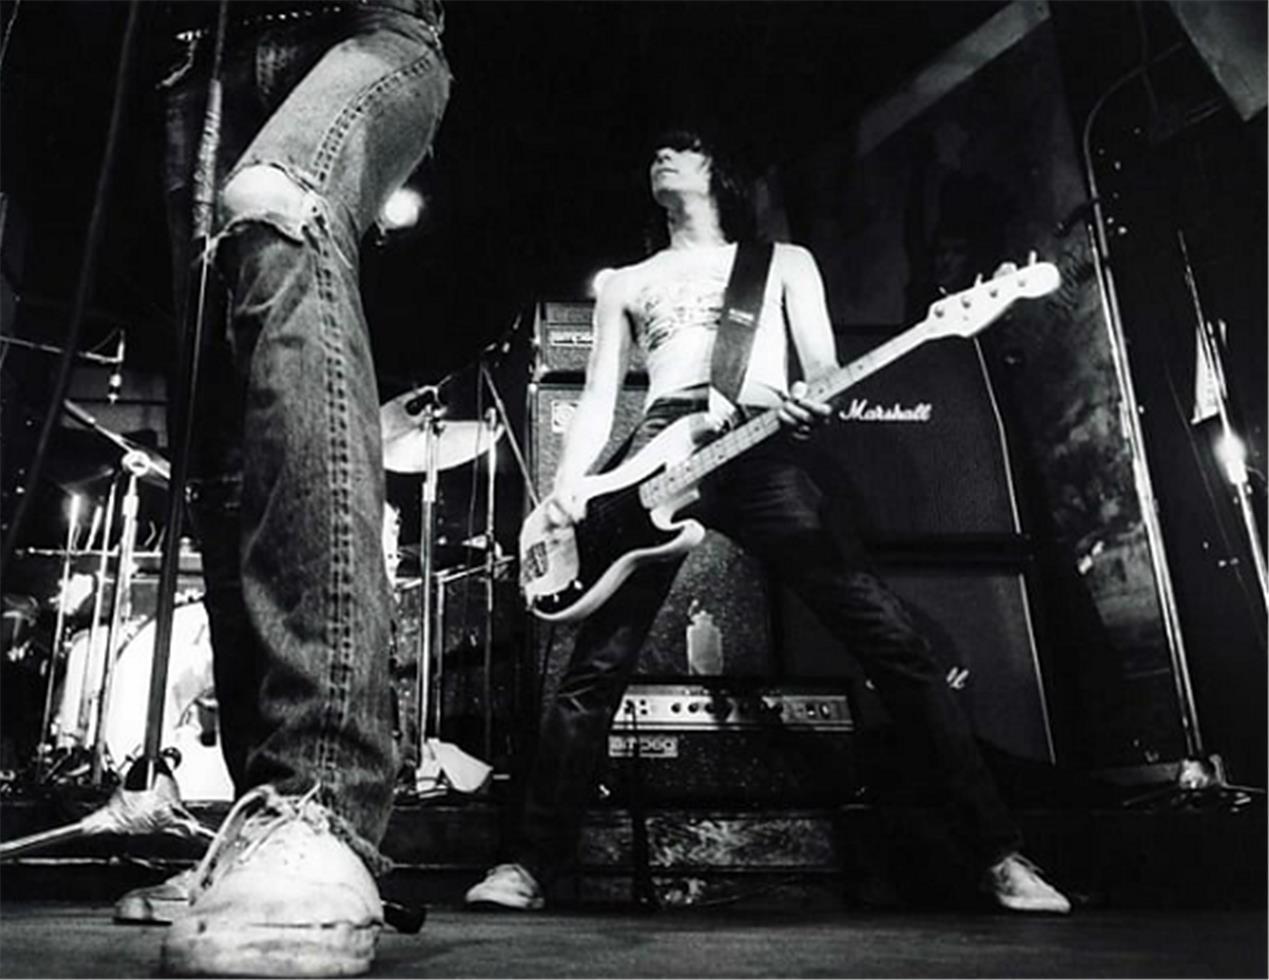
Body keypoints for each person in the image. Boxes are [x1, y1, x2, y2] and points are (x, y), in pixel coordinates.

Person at [465, 128, 1071, 916]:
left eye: (681, 148)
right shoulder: (624, 280)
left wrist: (813, 403)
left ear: (720, 171)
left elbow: (820, 369)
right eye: (656, 151)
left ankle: (999, 857)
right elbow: (602, 393)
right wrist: (569, 488)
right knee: (592, 669)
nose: (662, 156)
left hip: (761, 446)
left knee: (891, 643)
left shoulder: (781, 262)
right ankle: (530, 868)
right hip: (658, 454)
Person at [110, 2, 451, 976]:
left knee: (276, 205)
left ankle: (325, 799)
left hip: (366, 28)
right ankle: (264, 826)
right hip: (200, 59)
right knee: (217, 427)